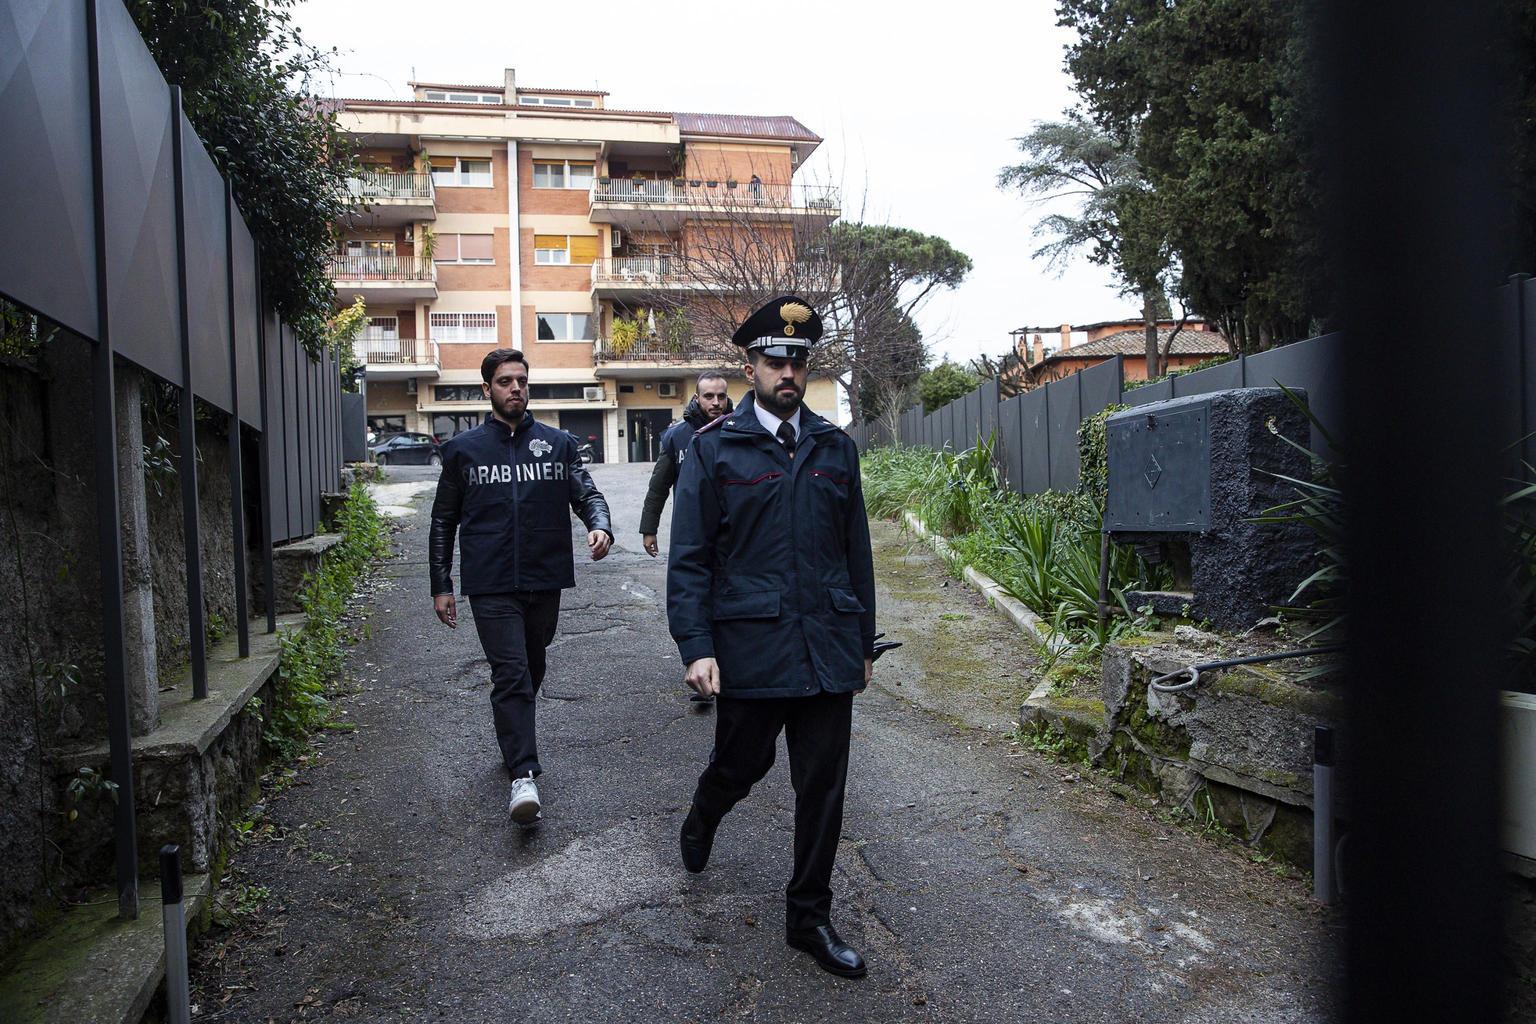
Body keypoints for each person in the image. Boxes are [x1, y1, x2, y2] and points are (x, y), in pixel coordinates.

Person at [667, 296, 878, 978]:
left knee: (823, 787)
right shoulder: (713, 449)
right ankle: (706, 808)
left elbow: (857, 554)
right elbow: (691, 557)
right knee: (743, 766)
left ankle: (808, 918)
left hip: (826, 649)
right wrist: (696, 646)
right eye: (773, 360)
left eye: (797, 360)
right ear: (749, 367)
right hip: (752, 647)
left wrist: (863, 644)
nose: (787, 371)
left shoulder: (834, 447)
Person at [428, 348, 613, 826]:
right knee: (511, 674)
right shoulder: (463, 450)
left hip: (544, 577)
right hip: (490, 583)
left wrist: (601, 525)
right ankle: (523, 775)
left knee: (531, 667)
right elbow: (443, 520)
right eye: (506, 381)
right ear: (486, 388)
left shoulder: (557, 444)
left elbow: (585, 492)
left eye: (522, 381)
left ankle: (513, 740)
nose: (516, 389)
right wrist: (441, 583)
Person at [640, 374, 734, 703]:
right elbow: (658, 486)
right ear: (696, 398)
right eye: (709, 396)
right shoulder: (678, 437)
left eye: (721, 396)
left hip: (729, 537)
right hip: (692, 533)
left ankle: (722, 665)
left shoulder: (737, 432)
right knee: (695, 597)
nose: (716, 403)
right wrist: (648, 528)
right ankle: (702, 665)